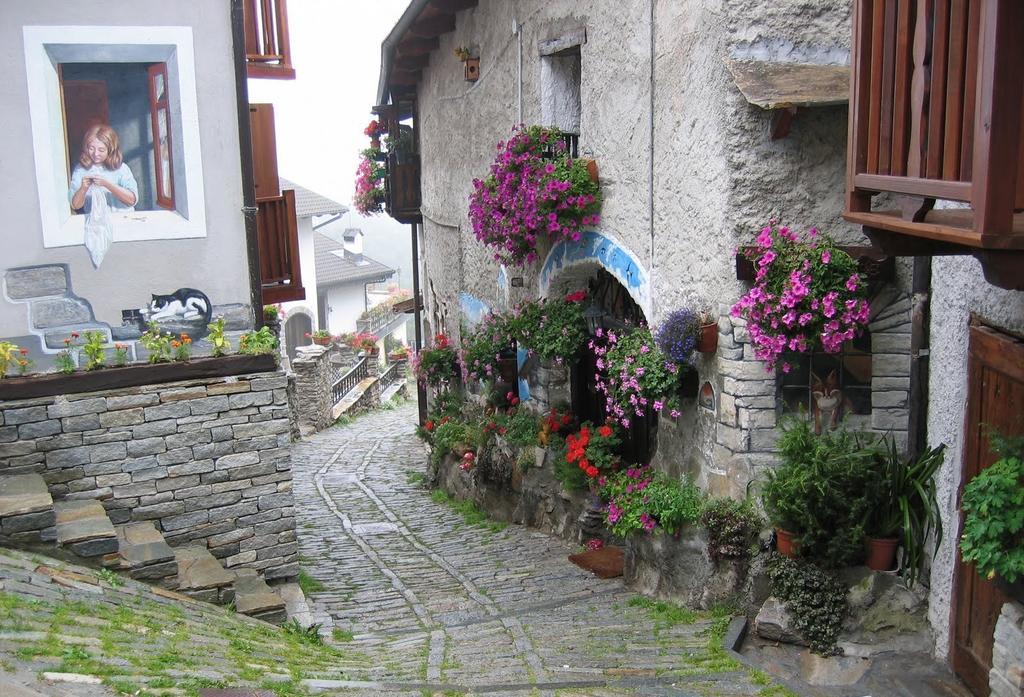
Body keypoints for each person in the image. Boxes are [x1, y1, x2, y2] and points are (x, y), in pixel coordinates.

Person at [69, 124, 138, 213]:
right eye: (91, 148)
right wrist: (83, 188)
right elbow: (75, 205)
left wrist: (107, 184)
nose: (95, 154)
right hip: (96, 224)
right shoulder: (81, 170)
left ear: (110, 150)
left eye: (101, 150)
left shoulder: (121, 168)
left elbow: (132, 200)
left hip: (122, 220)